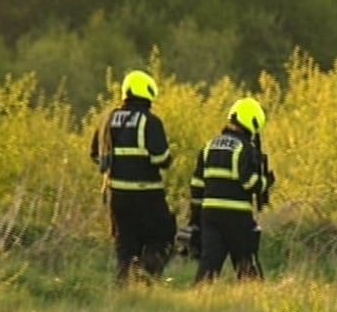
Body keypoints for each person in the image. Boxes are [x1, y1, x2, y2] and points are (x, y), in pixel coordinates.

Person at [90, 69, 177, 284]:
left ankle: (123, 291)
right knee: (161, 239)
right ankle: (145, 282)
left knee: (125, 247)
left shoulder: (107, 120)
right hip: (147, 196)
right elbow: (162, 159)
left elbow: (95, 155)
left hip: (116, 197)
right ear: (146, 92)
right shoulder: (149, 121)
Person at [188, 97, 275, 283]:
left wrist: (195, 218)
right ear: (252, 121)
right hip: (237, 216)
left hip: (210, 215)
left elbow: (196, 184)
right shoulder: (244, 148)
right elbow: (250, 183)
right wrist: (266, 181)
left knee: (209, 264)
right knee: (246, 263)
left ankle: (200, 300)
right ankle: (254, 299)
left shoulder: (209, 145)